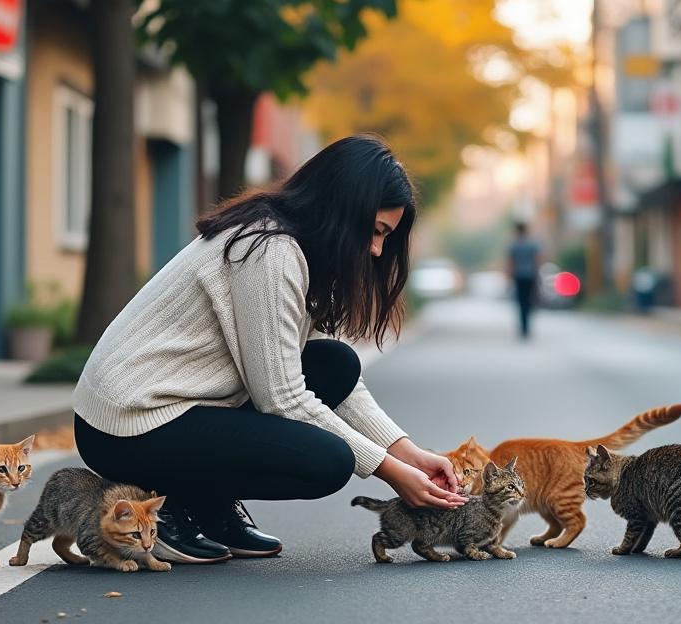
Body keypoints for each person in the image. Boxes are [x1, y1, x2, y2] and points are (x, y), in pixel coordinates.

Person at [72, 134, 465, 564]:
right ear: (341, 208)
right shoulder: (268, 250)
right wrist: (390, 472)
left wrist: (407, 452)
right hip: (129, 425)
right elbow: (282, 398)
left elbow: (324, 379)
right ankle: (176, 502)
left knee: (335, 364)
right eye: (375, 232)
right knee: (328, 462)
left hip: (181, 410)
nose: (376, 250)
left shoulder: (299, 250)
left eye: (386, 237)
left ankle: (206, 501)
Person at [507, 221, 541, 339]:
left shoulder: (514, 245)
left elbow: (511, 262)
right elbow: (537, 261)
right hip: (530, 276)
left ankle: (523, 327)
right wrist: (537, 275)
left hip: (519, 276)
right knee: (528, 301)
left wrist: (509, 276)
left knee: (521, 302)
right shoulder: (532, 244)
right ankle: (527, 326)